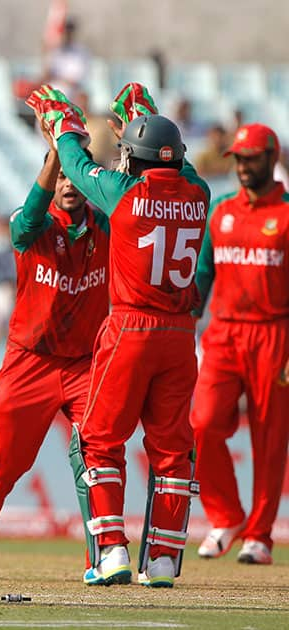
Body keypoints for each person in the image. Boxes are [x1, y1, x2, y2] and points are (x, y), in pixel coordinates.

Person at [28, 83, 209, 588]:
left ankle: (111, 552)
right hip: (180, 335)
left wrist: (62, 120)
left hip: (131, 328)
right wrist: (143, 119)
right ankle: (165, 560)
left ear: (137, 159)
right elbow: (181, 167)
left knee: (97, 441)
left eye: (130, 152)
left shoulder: (124, 192)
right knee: (173, 449)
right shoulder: (200, 193)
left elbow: (74, 161)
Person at [0, 142, 110, 579]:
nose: (68, 185)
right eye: (59, 177)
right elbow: (24, 222)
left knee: (98, 454)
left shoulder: (107, 226)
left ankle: (101, 555)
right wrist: (54, 156)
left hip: (83, 363)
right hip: (30, 361)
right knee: (8, 461)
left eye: (74, 177)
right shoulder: (32, 224)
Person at [191, 124, 289, 566]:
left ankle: (260, 537)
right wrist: (184, 317)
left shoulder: (287, 213)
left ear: (272, 157)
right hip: (224, 334)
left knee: (270, 440)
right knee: (203, 423)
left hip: (274, 335)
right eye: (239, 159)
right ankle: (226, 515)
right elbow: (204, 273)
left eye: (251, 158)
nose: (244, 167)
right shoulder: (221, 210)